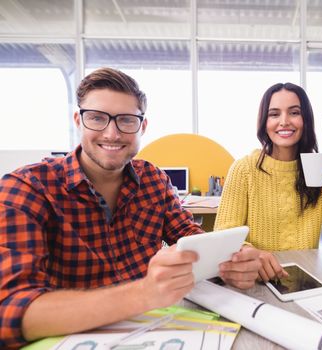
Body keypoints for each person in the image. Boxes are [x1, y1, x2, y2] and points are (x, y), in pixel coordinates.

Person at [0, 67, 260, 349]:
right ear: (79, 121)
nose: (112, 134)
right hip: (72, 338)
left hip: (156, 333)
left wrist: (234, 257)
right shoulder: (27, 187)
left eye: (126, 120)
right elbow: (9, 313)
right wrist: (144, 293)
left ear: (142, 127)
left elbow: (192, 238)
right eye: (97, 118)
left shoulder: (153, 179)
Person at [214, 82, 322, 281]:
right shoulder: (244, 169)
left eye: (294, 113)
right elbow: (224, 235)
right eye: (274, 114)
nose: (284, 121)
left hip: (305, 278)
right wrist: (253, 253)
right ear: (264, 122)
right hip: (256, 279)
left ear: (305, 120)